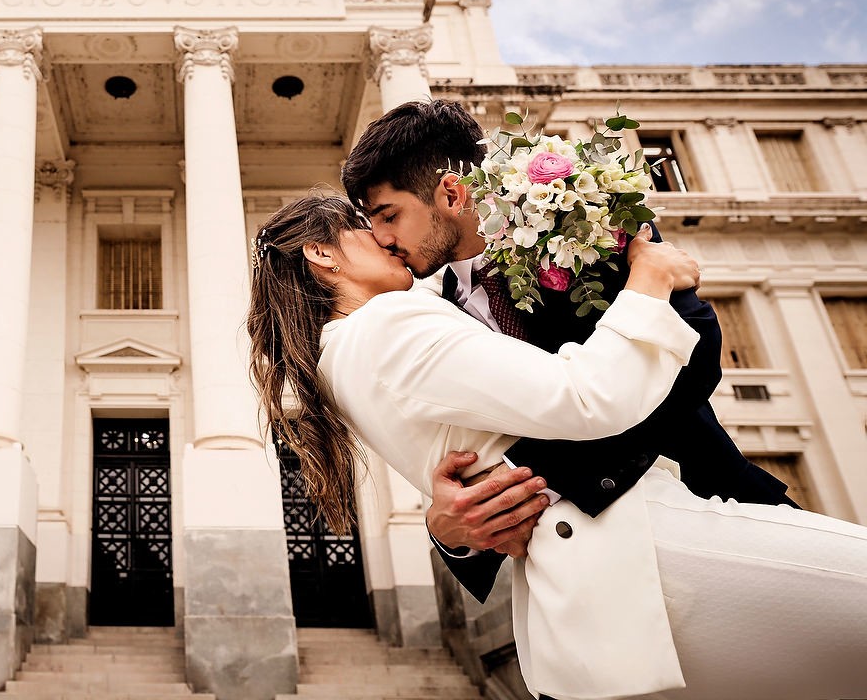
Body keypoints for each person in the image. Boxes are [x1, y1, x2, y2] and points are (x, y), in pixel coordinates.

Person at [247, 191, 867, 700]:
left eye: (386, 219)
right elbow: (585, 398)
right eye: (366, 225)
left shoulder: (338, 359)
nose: (385, 238)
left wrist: (447, 525)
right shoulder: (387, 325)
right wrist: (649, 285)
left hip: (582, 597)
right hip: (641, 549)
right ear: (320, 252)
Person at [339, 100, 795, 603]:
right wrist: (452, 532)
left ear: (450, 192)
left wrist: (528, 483)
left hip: (715, 514)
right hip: (577, 593)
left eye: (389, 215)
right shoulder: (426, 314)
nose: (381, 238)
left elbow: (696, 353)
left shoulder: (583, 218)